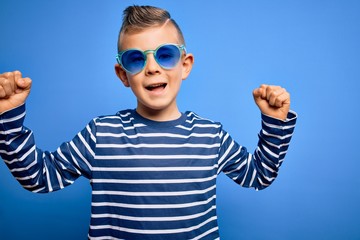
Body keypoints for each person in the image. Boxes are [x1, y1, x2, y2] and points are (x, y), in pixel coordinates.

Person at [0, 5, 297, 240]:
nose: (152, 68)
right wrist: (8, 116)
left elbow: (259, 175)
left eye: (165, 55)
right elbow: (38, 176)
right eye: (136, 59)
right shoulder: (101, 135)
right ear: (122, 75)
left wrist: (273, 122)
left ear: (185, 65)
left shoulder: (211, 136)